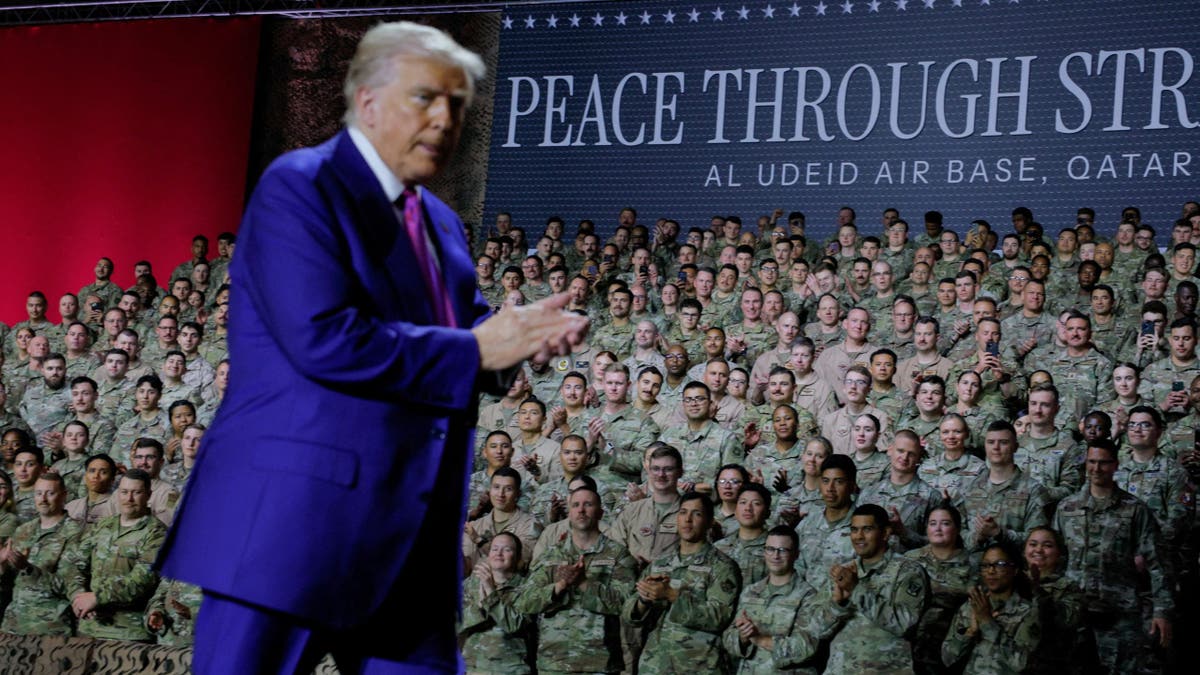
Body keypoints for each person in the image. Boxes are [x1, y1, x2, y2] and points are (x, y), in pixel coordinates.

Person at [157, 22, 588, 674]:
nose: (446, 119)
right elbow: (325, 337)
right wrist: (478, 351)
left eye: (459, 104)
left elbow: (462, 329)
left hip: (407, 542)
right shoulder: (300, 186)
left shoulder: (440, 223)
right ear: (366, 102)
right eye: (426, 98)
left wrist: (523, 342)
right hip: (295, 532)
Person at [1054, 438, 1174, 673]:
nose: (1096, 469)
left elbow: (1158, 564)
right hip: (1075, 613)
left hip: (1120, 615)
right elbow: (1055, 559)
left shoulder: (1135, 509)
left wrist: (1162, 611)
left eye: (1104, 463)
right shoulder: (1067, 508)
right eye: (1091, 462)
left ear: (1116, 465)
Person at [514, 486, 637, 674]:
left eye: (588, 504)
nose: (581, 510)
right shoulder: (551, 555)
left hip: (600, 663)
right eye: (576, 505)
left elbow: (626, 604)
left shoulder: (618, 554)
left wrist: (583, 583)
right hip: (554, 662)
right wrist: (560, 586)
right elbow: (525, 602)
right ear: (569, 513)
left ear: (600, 512)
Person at [622, 491, 742, 674]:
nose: (687, 520)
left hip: (698, 666)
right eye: (683, 512)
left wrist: (672, 595)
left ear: (710, 522)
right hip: (655, 665)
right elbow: (629, 614)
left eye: (697, 514)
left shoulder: (722, 566)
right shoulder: (660, 563)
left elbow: (720, 617)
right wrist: (643, 600)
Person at [823, 503, 931, 674]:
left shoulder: (908, 571)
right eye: (854, 529)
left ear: (886, 533)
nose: (858, 536)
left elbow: (905, 624)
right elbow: (819, 630)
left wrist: (856, 588)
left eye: (867, 529)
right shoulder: (843, 572)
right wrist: (837, 605)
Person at [63, 469, 167, 641]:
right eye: (124, 492)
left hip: (128, 633)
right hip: (88, 626)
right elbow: (76, 564)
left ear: (149, 494)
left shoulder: (157, 533)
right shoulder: (103, 525)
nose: (129, 499)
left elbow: (142, 581)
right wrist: (78, 596)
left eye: (137, 492)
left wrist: (97, 597)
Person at [721, 525, 835, 674]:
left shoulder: (809, 596)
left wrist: (761, 640)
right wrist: (742, 637)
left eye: (783, 550)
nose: (775, 556)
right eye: (770, 549)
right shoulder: (751, 592)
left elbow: (807, 647)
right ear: (764, 552)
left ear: (796, 554)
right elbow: (728, 638)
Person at [0, 472, 83, 635]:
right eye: (38, 493)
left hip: (51, 629)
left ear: (64, 495)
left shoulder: (76, 533)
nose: (43, 499)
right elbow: (9, 582)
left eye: (50, 493)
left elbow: (67, 585)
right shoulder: (23, 530)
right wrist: (2, 565)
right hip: (14, 625)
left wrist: (28, 568)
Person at [941, 540, 1042, 674]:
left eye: (999, 564)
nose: (991, 571)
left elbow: (1021, 663)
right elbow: (948, 658)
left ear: (1015, 570)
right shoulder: (971, 606)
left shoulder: (1028, 612)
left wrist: (987, 622)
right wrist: (970, 632)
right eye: (985, 565)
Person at [905, 503, 973, 675]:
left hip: (950, 648)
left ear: (957, 529)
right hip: (908, 645)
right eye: (932, 523)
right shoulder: (909, 560)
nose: (938, 528)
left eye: (945, 523)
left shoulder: (973, 565)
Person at [458, 532, 535, 675]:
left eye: (507, 550)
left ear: (517, 557)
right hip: (473, 668)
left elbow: (516, 624)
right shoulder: (470, 584)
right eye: (494, 549)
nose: (499, 553)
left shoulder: (527, 587)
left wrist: (490, 592)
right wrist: (479, 609)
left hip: (512, 669)